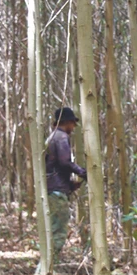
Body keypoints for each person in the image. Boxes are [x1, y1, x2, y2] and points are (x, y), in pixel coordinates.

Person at [46, 107, 87, 263]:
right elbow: (64, 162)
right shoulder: (61, 137)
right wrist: (83, 172)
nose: (74, 128)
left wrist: (69, 184)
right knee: (59, 231)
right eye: (73, 123)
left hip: (53, 189)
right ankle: (47, 270)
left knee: (54, 229)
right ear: (67, 122)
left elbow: (53, 166)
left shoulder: (52, 137)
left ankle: (47, 268)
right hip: (56, 192)